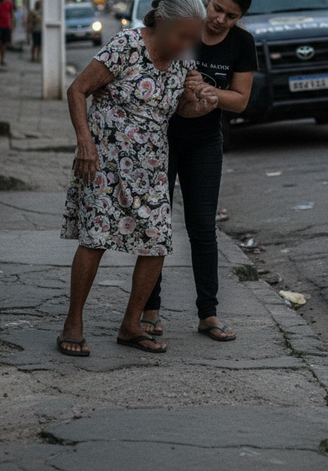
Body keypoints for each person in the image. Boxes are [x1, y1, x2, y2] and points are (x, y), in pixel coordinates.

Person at [58, 0, 218, 356]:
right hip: (104, 162)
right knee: (96, 238)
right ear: (160, 21)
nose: (186, 44)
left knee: (157, 241)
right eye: (182, 36)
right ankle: (73, 323)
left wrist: (201, 104)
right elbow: (77, 90)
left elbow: (178, 108)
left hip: (150, 167)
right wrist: (85, 143)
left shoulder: (183, 60)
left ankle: (131, 325)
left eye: (193, 38)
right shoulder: (126, 46)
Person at [140, 0, 257, 342]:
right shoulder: (186, 26)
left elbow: (241, 99)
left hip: (205, 142)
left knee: (202, 228)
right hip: (161, 138)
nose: (219, 19)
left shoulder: (242, 44)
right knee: (155, 226)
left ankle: (208, 313)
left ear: (241, 18)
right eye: (217, 8)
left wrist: (213, 94)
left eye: (231, 16)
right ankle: (150, 310)